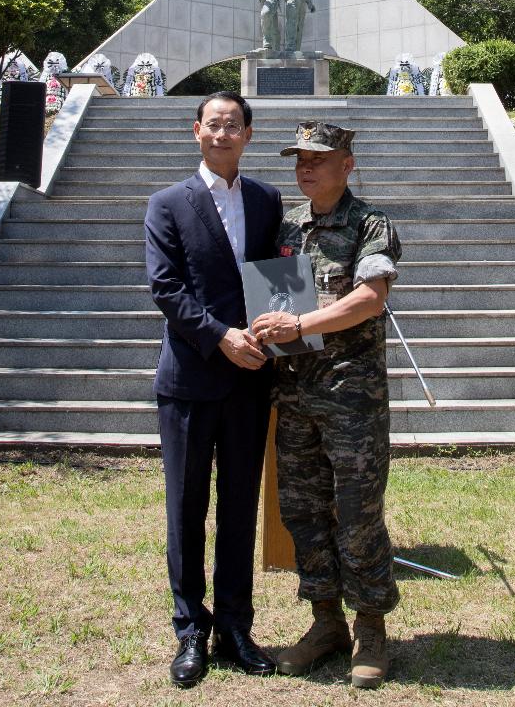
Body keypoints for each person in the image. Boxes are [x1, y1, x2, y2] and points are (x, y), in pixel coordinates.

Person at [251, 121, 402, 690]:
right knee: (303, 512)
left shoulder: (370, 223)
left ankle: (371, 630)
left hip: (351, 395)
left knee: (357, 513)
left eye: (318, 158)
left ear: (348, 164)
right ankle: (325, 623)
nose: (305, 168)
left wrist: (298, 323)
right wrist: (269, 326)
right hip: (294, 392)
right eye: (299, 160)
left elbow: (369, 298)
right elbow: (276, 293)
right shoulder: (288, 226)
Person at [145, 91, 283, 688]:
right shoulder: (168, 204)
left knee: (237, 507)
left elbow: (278, 281)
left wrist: (276, 336)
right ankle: (188, 631)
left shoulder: (267, 199)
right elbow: (166, 288)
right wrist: (221, 336)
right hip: (191, 378)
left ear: (248, 134)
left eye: (234, 125)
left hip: (251, 379)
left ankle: (234, 625)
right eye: (214, 124)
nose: (223, 134)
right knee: (186, 508)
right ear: (195, 129)